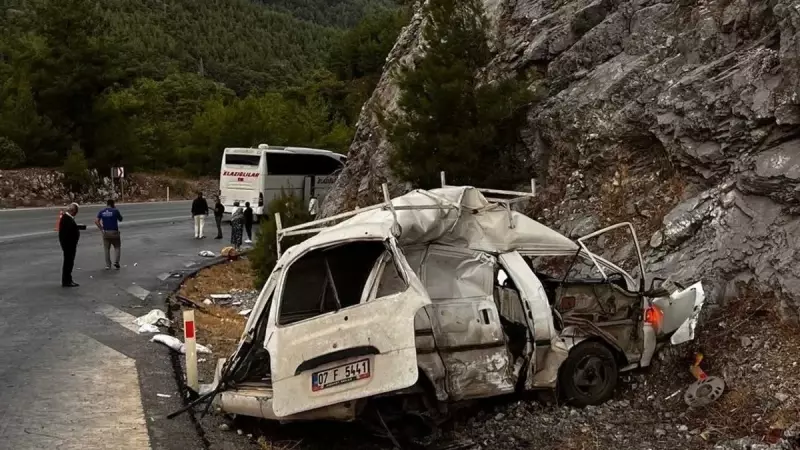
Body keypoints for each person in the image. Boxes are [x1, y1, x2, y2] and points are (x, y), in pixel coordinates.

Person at [58, 203, 86, 287]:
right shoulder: (66, 219)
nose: (76, 213)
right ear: (73, 211)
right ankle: (67, 281)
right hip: (69, 245)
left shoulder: (67, 218)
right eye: (76, 211)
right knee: (68, 263)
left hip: (69, 245)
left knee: (69, 263)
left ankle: (68, 279)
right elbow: (67, 233)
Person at [95, 199, 123, 269]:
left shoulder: (102, 211)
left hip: (106, 232)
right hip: (114, 232)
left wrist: (101, 229)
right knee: (117, 247)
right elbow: (120, 219)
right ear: (113, 204)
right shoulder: (115, 211)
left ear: (107, 204)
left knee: (106, 249)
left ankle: (108, 265)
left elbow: (96, 221)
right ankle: (116, 262)